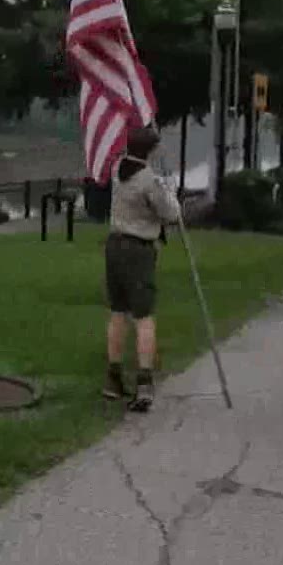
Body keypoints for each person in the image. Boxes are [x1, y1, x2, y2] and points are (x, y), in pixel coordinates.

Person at [102, 125, 182, 412]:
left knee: (117, 312)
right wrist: (170, 191)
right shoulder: (150, 181)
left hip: (114, 246)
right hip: (138, 250)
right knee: (144, 316)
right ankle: (144, 382)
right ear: (151, 150)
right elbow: (170, 214)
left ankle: (113, 379)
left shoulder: (116, 169)